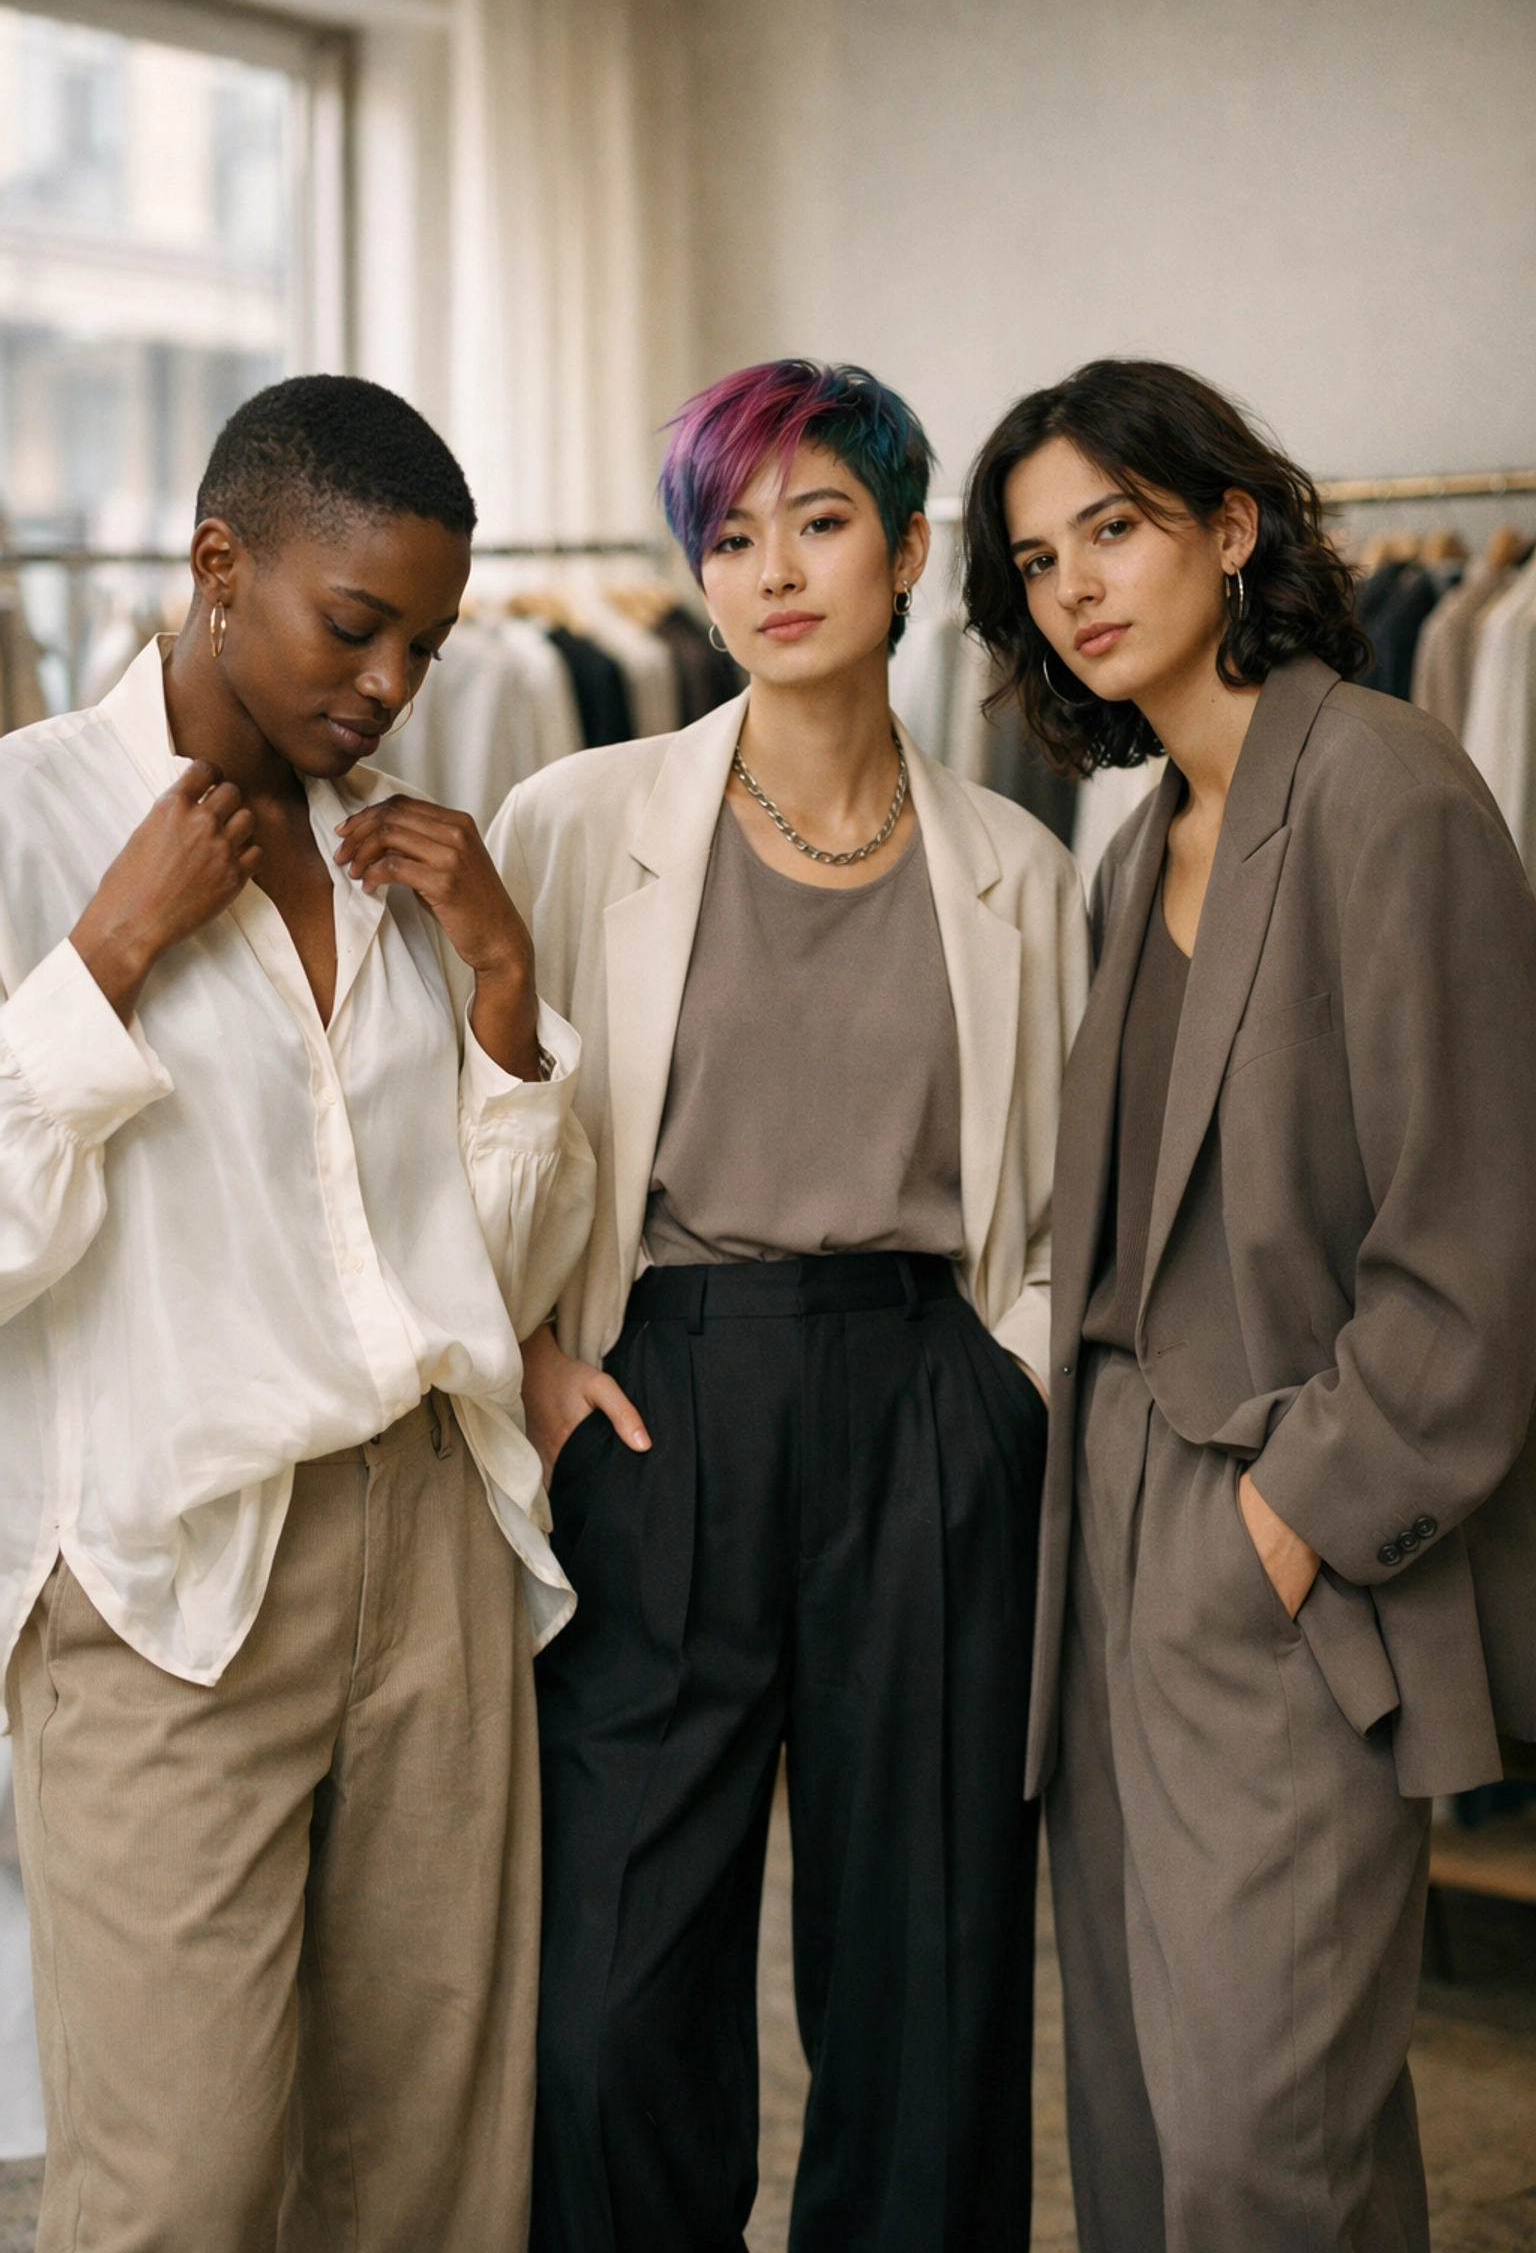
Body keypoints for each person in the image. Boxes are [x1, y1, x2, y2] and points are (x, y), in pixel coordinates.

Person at [487, 358, 1089, 2252]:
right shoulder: (577, 821)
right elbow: (467, 1131)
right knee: (603, 2004)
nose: (773, 571)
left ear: (907, 553)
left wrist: (1004, 1402)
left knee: (927, 1988)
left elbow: (1068, 1212)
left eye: (819, 522)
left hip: (926, 1414)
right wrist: (534, 1361)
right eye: (729, 536)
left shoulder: (1019, 871)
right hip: (660, 1407)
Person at [0, 374, 594, 2252]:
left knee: (427, 2166)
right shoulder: (26, 829)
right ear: (217, 564)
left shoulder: (413, 854)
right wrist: (111, 950)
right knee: (174, 2191)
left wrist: (501, 984)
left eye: (426, 642)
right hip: (169, 1578)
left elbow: (485, 1266)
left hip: (430, 1541)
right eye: (359, 626)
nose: (392, 685)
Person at [962, 356, 1536, 2253]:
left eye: (1112, 530)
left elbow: (1478, 1247)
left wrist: (1282, 1527)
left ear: (1229, 525)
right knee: (1134, 2124)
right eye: (1041, 561)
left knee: (1262, 2147)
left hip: (1279, 1532)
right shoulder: (1137, 847)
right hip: (1106, 1530)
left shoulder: (1388, 787)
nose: (1077, 589)